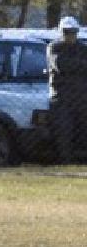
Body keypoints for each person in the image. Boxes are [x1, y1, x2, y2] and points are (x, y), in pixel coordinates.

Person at [47, 16, 87, 164]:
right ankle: (65, 161)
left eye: (73, 32)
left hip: (82, 98)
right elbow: (61, 65)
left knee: (82, 131)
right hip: (61, 99)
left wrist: (76, 66)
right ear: (61, 32)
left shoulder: (83, 48)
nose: (70, 35)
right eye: (67, 32)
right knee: (64, 132)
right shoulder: (54, 47)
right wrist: (81, 65)